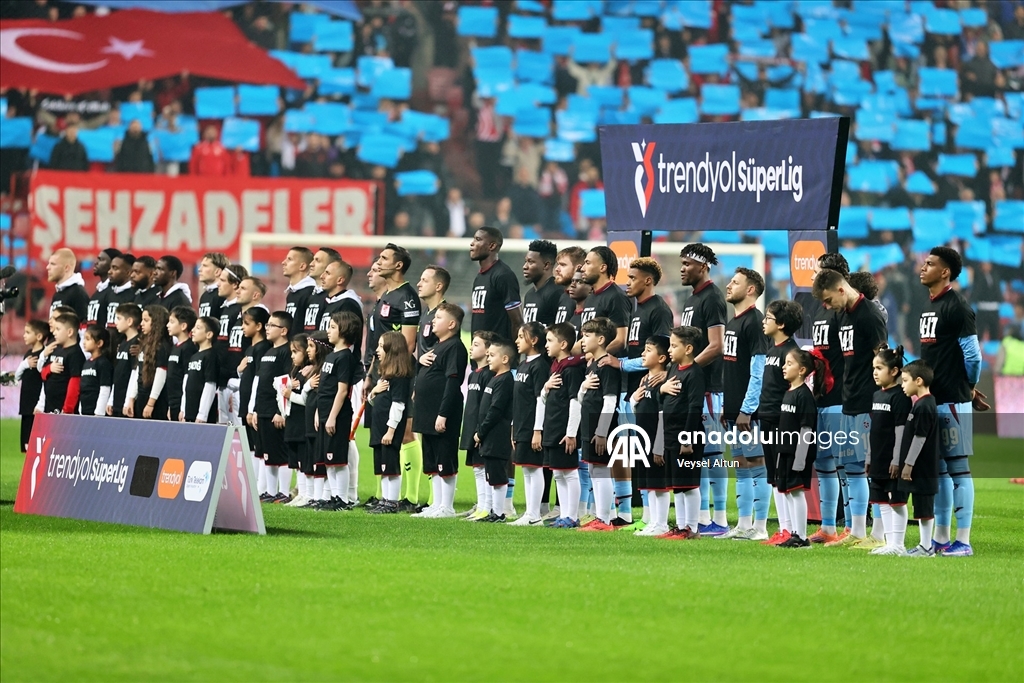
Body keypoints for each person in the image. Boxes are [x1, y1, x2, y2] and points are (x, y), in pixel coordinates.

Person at [813, 268, 888, 548]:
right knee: (852, 468)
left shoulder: (869, 315)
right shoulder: (842, 315)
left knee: (873, 468)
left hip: (868, 402)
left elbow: (882, 359)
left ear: (841, 289)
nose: (827, 306)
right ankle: (856, 532)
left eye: (828, 299)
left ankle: (879, 535)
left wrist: (883, 400)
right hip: (849, 401)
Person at [918, 247, 983, 557]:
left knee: (958, 469)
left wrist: (968, 386)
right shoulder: (930, 305)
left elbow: (973, 355)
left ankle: (964, 541)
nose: (923, 267)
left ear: (945, 272)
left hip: (953, 401)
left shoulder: (958, 307)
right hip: (934, 399)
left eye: (930, 264)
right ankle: (941, 539)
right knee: (940, 470)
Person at [600, 256, 674, 528]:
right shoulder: (636, 309)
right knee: (624, 450)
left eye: (632, 278)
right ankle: (628, 513)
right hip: (630, 390)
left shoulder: (659, 310)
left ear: (648, 281)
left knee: (646, 453)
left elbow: (661, 355)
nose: (627, 282)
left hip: (648, 391)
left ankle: (653, 518)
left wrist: (620, 363)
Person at [678, 243, 729, 536]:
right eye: (682, 263)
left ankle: (719, 519)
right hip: (695, 385)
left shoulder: (712, 298)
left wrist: (689, 369)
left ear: (703, 266)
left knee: (712, 453)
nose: (682, 269)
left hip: (709, 388)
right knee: (699, 454)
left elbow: (717, 345)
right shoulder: (691, 299)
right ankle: (702, 517)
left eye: (688, 264)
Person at [719, 268, 771, 541]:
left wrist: (746, 410)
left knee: (756, 463)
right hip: (734, 410)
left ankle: (760, 527)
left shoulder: (755, 322)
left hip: (749, 413)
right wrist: (728, 407)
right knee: (740, 466)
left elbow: (758, 371)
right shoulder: (733, 322)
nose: (728, 285)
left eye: (735, 282)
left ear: (750, 289)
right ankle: (742, 524)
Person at [374, 244, 423, 510]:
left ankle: (410, 497)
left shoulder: (407, 297)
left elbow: (407, 343)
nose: (378, 261)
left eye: (384, 258)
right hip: (383, 371)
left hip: (399, 372)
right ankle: (385, 496)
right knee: (382, 434)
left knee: (404, 432)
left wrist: (392, 372)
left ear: (398, 265)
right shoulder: (386, 295)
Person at [411, 302, 469, 518]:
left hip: (441, 413)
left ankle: (447, 506)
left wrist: (443, 414)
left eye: (438, 318)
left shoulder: (455, 347)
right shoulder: (436, 346)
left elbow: (452, 382)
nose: (433, 321)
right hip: (427, 412)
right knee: (432, 460)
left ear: (451, 324)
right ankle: (436, 503)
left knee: (445, 458)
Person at [809, 252, 850, 544]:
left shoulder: (843, 311)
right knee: (823, 463)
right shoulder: (821, 309)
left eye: (818, 271)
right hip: (821, 397)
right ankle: (828, 527)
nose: (813, 275)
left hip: (841, 399)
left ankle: (853, 527)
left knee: (846, 464)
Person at [760, 300, 803, 546]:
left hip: (782, 421)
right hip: (766, 417)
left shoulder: (791, 353)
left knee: (784, 477)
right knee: (774, 477)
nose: (764, 322)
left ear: (782, 324)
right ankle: (783, 529)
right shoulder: (771, 350)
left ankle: (791, 530)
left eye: (768, 318)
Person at [658, 326, 706, 540]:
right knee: (677, 485)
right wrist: (661, 390)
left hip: (686, 438)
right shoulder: (673, 369)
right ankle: (679, 526)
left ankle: (692, 528)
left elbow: (695, 408)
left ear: (688, 348)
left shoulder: (695, 374)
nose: (669, 349)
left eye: (673, 345)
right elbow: (663, 401)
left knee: (689, 483)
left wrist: (687, 439)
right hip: (670, 435)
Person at [540, 323, 588, 529]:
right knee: (558, 473)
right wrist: (545, 388)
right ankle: (564, 515)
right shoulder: (555, 367)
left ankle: (573, 516)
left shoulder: (571, 369)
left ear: (563, 344)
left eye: (550, 340)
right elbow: (544, 399)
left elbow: (575, 402)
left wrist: (571, 433)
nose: (546, 345)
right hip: (552, 427)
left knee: (569, 472)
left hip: (563, 430)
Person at [577, 317, 622, 531]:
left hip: (600, 429)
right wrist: (583, 386)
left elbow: (610, 400)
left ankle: (604, 520)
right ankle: (600, 516)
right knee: (594, 470)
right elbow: (582, 398)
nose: (582, 340)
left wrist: (603, 431)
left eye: (587, 336)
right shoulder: (592, 365)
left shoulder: (608, 366)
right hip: (589, 426)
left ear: (601, 339)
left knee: (601, 470)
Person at [893, 360, 941, 556]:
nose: (902, 385)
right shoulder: (920, 404)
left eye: (905, 381)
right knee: (920, 507)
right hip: (918, 467)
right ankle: (923, 545)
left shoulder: (925, 405)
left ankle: (927, 547)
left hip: (923, 468)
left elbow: (920, 437)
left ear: (918, 381)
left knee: (924, 507)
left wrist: (908, 464)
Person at [868, 346, 913, 555]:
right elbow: (873, 429)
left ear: (894, 371)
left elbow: (901, 431)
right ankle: (889, 543)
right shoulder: (877, 395)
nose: (875, 372)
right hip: (877, 458)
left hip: (892, 460)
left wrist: (897, 460)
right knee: (881, 502)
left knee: (896, 501)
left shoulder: (900, 397)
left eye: (879, 368)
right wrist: (869, 456)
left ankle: (899, 544)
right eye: (874, 368)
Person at [317, 311, 362, 511]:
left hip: (337, 414)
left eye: (333, 327)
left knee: (338, 459)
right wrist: (319, 412)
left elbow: (342, 391)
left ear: (344, 331)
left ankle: (342, 499)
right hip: (325, 412)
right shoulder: (331, 355)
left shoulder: (345, 357)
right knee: (329, 460)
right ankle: (333, 496)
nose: (328, 330)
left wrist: (332, 417)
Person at [367, 330, 413, 515]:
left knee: (390, 464)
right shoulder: (385, 375)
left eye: (381, 346)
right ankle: (384, 500)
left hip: (388, 428)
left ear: (392, 349)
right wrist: (374, 391)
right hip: (379, 426)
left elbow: (398, 405)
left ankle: (391, 502)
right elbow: (374, 401)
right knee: (382, 466)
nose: (377, 350)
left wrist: (391, 430)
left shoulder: (400, 376)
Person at [509, 321, 549, 526]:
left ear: (533, 340)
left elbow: (540, 399)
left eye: (520, 337)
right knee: (526, 469)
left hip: (532, 426)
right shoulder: (523, 364)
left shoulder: (540, 365)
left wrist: (537, 430)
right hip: (521, 425)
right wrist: (513, 427)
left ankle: (534, 515)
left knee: (534, 468)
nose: (516, 341)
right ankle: (529, 512)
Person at [252, 311, 295, 504]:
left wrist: (280, 412)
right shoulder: (267, 352)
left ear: (283, 330)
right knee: (266, 453)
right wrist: (255, 410)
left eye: (272, 325)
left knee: (280, 453)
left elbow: (286, 383)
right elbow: (261, 383)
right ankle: (270, 491)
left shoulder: (286, 352)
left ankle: (283, 492)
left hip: (275, 411)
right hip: (262, 409)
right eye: (267, 325)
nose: (267, 328)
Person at [630, 335, 670, 537]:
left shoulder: (665, 382)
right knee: (649, 484)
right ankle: (654, 521)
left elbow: (663, 415)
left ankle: (662, 523)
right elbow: (638, 410)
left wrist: (659, 445)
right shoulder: (644, 380)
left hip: (656, 440)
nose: (642, 354)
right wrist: (633, 399)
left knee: (659, 484)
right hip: (643, 439)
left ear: (662, 358)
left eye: (648, 350)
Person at [474, 339, 516, 523]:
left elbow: (495, 410)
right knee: (491, 473)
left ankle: (499, 513)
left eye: (492, 355)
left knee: (498, 474)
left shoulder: (505, 380)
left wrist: (481, 431)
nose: (488, 358)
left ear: (505, 359)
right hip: (489, 435)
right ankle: (492, 510)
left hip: (497, 435)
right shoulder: (494, 378)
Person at [461, 330, 498, 521]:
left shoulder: (488, 375)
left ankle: (488, 507)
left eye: (476, 345)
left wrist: (480, 429)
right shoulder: (472, 375)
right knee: (477, 468)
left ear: (487, 350)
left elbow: (487, 407)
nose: (471, 348)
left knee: (484, 468)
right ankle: (481, 506)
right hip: (471, 428)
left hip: (481, 430)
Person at [469, 226, 523, 342]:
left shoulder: (503, 275)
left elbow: (517, 322)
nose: (472, 243)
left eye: (478, 239)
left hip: (498, 350)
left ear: (492, 246)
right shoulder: (479, 276)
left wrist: (513, 351)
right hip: (480, 349)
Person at [240, 307, 271, 499]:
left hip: (255, 406)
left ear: (259, 326)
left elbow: (260, 380)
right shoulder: (250, 349)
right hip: (246, 404)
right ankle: (253, 484)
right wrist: (239, 371)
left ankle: (262, 486)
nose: (242, 327)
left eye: (246, 323)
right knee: (250, 446)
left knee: (259, 446)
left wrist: (254, 408)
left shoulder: (263, 349)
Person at [281, 333, 312, 507]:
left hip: (302, 423)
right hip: (293, 422)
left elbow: (306, 400)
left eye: (296, 352)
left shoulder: (309, 373)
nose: (292, 356)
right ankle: (301, 493)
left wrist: (290, 394)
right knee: (298, 462)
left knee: (304, 459)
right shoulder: (295, 372)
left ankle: (307, 494)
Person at [215, 264, 248, 425]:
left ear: (235, 284)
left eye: (222, 280)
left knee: (236, 430)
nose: (218, 284)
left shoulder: (241, 311)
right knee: (224, 428)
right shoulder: (225, 309)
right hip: (222, 379)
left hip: (235, 380)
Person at [127, 305, 172, 421]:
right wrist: (131, 399)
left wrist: (151, 403)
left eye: (146, 320)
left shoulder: (162, 347)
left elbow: (160, 376)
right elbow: (139, 374)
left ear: (157, 323)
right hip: (141, 397)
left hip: (156, 402)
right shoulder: (145, 345)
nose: (141, 324)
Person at [36, 313, 85, 415]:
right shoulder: (55, 349)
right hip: (49, 406)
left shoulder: (75, 354)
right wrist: (50, 368)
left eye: (58, 329)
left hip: (62, 411)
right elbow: (43, 374)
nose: (54, 333)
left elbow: (75, 383)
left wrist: (67, 409)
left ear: (69, 332)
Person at [179, 316, 220, 425]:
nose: (192, 330)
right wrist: (183, 409)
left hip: (202, 416)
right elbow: (186, 384)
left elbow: (210, 385)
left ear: (209, 334)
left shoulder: (211, 356)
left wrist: (202, 414)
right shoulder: (194, 356)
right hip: (190, 412)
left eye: (198, 328)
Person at [16, 320, 48, 451]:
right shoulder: (28, 354)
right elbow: (17, 376)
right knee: (26, 444)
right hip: (26, 403)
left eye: (28, 332)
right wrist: (24, 364)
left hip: (37, 404)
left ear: (39, 336)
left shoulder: (44, 355)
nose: (24, 335)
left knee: (37, 444)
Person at [108, 303, 141, 417]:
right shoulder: (122, 343)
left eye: (118, 318)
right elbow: (117, 374)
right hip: (117, 399)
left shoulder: (137, 344)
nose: (115, 322)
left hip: (127, 402)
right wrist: (111, 400)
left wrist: (128, 400)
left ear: (130, 321)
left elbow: (134, 373)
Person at [165, 306, 198, 422]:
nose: (167, 325)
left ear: (183, 326)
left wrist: (183, 408)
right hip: (173, 401)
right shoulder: (175, 347)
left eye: (172, 322)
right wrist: (170, 406)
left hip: (182, 401)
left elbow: (187, 377)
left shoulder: (189, 348)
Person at [318, 259, 362, 337]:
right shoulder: (329, 302)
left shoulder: (348, 304)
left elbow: (346, 338)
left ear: (340, 280)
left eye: (327, 273)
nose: (322, 276)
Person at [522, 240, 562, 325]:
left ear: (546, 265)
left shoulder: (557, 293)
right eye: (526, 262)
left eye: (531, 262)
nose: (525, 267)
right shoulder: (529, 294)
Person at [414, 265, 450, 358]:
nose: (418, 284)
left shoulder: (446, 315)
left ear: (438, 286)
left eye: (424, 280)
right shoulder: (426, 312)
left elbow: (448, 352)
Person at [78, 325, 113, 416]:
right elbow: (83, 388)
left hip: (96, 411)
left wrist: (99, 412)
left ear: (99, 343)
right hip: (85, 409)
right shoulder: (86, 362)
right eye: (84, 339)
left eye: (88, 339)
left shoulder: (103, 363)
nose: (84, 342)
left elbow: (105, 388)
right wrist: (80, 409)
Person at [304, 247, 341, 332]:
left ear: (330, 266)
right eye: (313, 260)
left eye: (317, 260)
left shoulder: (335, 298)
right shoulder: (311, 295)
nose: (311, 264)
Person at [47, 248, 88, 321]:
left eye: (53, 264)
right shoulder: (57, 294)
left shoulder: (78, 293)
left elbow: (83, 325)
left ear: (66, 268)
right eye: (49, 263)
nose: (47, 267)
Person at [282, 247, 316, 334]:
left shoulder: (311, 292)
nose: (283, 262)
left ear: (302, 266)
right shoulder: (292, 293)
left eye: (289, 259)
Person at [86, 248, 121, 330]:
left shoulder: (113, 292)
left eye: (101, 260)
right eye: (97, 259)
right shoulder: (97, 292)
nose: (96, 262)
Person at [104, 254, 137, 336]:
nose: (109, 272)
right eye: (110, 268)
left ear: (128, 273)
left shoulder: (134, 294)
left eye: (115, 268)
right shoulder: (109, 293)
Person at [553, 246, 587, 325]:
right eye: (558, 264)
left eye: (563, 265)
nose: (557, 269)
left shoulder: (580, 299)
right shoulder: (564, 296)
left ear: (578, 268)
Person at [197, 252, 228, 320]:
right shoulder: (204, 296)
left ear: (217, 272)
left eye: (205, 266)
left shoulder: (223, 295)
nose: (199, 269)